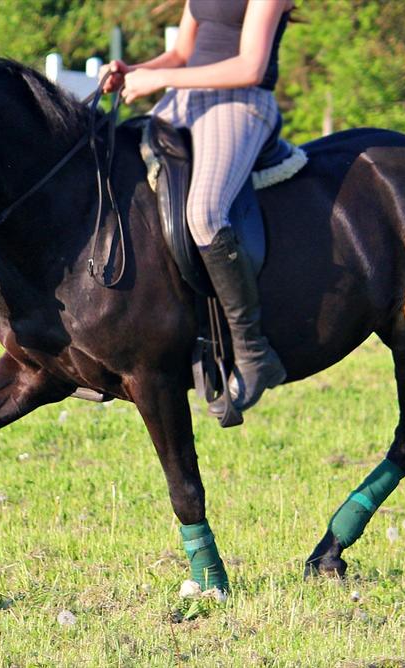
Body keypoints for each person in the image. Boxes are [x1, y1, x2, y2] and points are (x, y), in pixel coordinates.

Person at [101, 0, 294, 413]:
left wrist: (161, 79)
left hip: (239, 103)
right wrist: (135, 72)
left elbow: (250, 67)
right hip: (184, 103)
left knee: (205, 214)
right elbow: (182, 52)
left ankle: (253, 352)